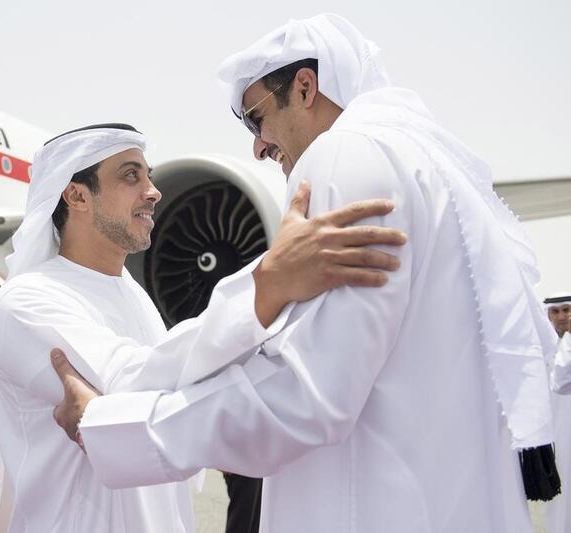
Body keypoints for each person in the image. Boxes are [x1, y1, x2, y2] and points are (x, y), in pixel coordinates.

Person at [50, 14, 560, 533]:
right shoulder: (430, 169)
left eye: (255, 117)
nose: (257, 145)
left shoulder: (348, 151)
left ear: (305, 86)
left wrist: (112, 428)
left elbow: (306, 396)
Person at [0, 123, 406, 532]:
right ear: (77, 197)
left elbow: (177, 388)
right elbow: (130, 385)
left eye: (150, 176)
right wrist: (266, 285)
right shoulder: (28, 300)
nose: (153, 192)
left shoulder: (132, 295)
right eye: (131, 176)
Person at [545, 292, 571, 533]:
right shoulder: (542, 349)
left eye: (567, 309)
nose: (562, 317)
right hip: (555, 437)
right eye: (556, 311)